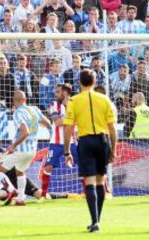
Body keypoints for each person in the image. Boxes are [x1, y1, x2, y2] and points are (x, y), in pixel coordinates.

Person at [63, 69, 117, 232]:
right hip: (103, 141)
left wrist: (67, 151)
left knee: (90, 182)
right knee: (101, 180)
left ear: (80, 82)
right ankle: (96, 220)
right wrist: (114, 149)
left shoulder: (74, 101)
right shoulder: (104, 99)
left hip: (85, 141)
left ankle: (95, 221)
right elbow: (112, 128)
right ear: (94, 82)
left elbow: (68, 128)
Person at [0, 90, 51, 206]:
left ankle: (11, 190)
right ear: (25, 100)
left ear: (14, 101)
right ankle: (20, 199)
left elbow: (25, 132)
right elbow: (48, 122)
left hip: (21, 150)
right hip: (32, 150)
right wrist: (51, 138)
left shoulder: (18, 113)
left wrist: (13, 145)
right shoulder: (34, 109)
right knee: (20, 171)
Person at [0, 136, 70, 201]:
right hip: (9, 185)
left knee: (39, 195)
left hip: (17, 178)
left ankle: (63, 195)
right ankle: (1, 199)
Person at [40, 84, 78, 198]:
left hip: (72, 141)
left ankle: (88, 193)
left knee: (85, 164)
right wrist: (73, 118)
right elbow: (58, 123)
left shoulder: (74, 104)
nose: (55, 94)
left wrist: (71, 119)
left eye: (58, 92)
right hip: (56, 143)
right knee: (48, 167)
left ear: (65, 93)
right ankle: (42, 195)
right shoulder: (54, 105)